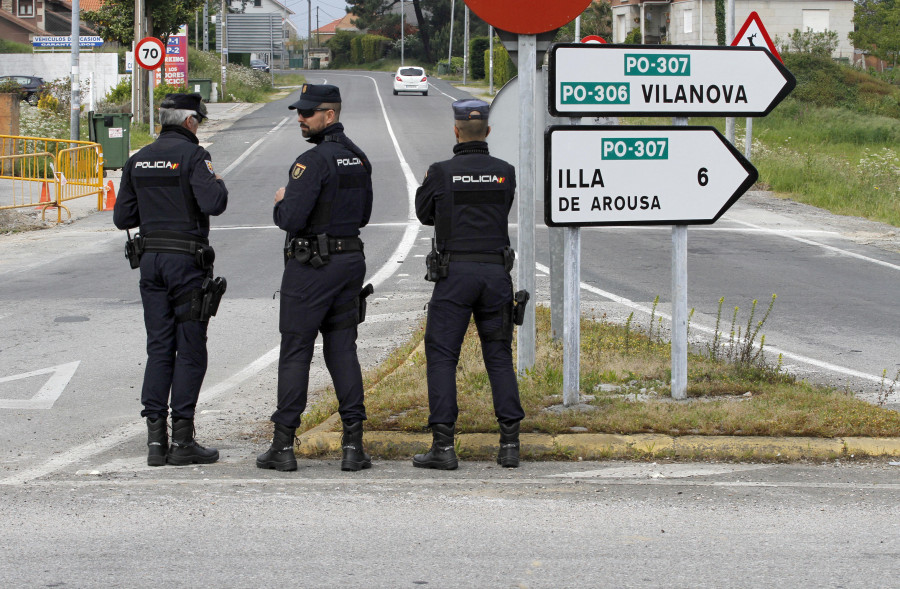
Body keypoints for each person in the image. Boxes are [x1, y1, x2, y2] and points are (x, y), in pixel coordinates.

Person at [257, 84, 374, 473]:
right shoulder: (357, 159)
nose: (300, 118)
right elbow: (363, 216)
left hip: (311, 269)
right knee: (342, 349)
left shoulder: (311, 162)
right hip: (349, 262)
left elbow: (290, 219)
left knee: (296, 350)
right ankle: (353, 446)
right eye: (299, 112)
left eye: (308, 113)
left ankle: (282, 444)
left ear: (330, 115)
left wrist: (280, 201)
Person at [113, 93, 228, 467]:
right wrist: (218, 183)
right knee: (191, 347)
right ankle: (182, 440)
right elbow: (214, 204)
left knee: (159, 347)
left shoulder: (138, 159)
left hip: (150, 264)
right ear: (191, 121)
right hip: (186, 264)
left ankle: (154, 443)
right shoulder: (196, 157)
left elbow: (122, 218)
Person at [413, 99, 527, 470]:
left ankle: (444, 448)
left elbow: (424, 213)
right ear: (488, 132)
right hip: (496, 276)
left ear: (456, 130)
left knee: (443, 357)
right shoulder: (505, 171)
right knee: (498, 356)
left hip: (454, 276)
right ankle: (510, 444)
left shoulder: (441, 172)